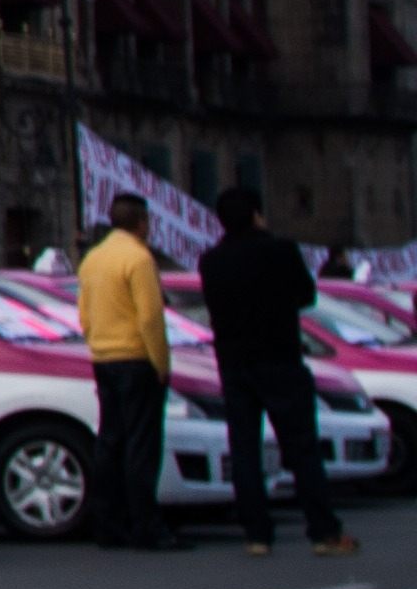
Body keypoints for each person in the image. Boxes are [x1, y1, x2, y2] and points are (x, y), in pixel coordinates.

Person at [198, 187, 360, 558]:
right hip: (279, 357)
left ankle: (256, 533)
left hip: (234, 362)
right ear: (257, 215)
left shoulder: (211, 260)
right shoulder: (281, 251)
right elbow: (306, 294)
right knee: (302, 447)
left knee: (244, 449)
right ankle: (323, 530)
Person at [73, 192, 182, 550]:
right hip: (136, 357)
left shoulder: (93, 259)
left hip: (104, 358)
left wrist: (97, 343)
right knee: (141, 445)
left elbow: (84, 313)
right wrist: (161, 362)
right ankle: (146, 525)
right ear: (142, 223)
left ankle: (108, 523)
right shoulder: (138, 258)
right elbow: (150, 316)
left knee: (110, 441)